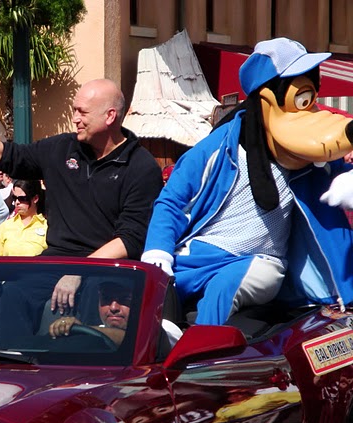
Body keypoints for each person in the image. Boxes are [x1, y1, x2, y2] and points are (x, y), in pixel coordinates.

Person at [0, 78, 163, 339]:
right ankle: (15, 370)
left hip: (109, 272)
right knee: (12, 294)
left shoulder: (141, 167)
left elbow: (132, 239)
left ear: (110, 116)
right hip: (55, 262)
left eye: (82, 112)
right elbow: (8, 155)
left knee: (83, 316)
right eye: (74, 110)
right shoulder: (62, 148)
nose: (75, 119)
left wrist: (81, 271)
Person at [141, 38, 353, 326]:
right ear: (266, 100)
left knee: (225, 287)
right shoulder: (218, 149)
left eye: (310, 97)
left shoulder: (310, 161)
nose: (309, 109)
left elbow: (341, 162)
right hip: (200, 254)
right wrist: (157, 251)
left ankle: (202, 349)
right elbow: (173, 201)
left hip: (261, 260)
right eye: (299, 99)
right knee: (147, 293)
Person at [48, 280, 182, 348]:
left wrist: (80, 330)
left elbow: (137, 339)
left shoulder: (165, 328)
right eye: (106, 299)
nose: (113, 308)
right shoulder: (95, 330)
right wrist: (60, 329)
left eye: (124, 299)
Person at [0, 179, 47, 256]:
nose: (17, 202)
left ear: (35, 199)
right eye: (14, 198)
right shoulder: (5, 227)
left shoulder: (47, 227)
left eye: (22, 199)